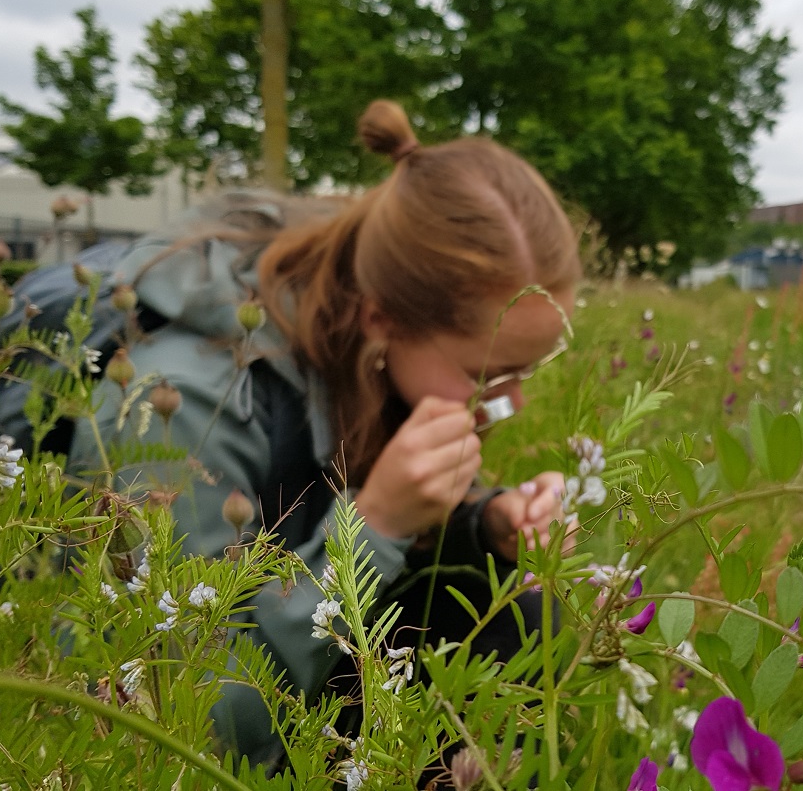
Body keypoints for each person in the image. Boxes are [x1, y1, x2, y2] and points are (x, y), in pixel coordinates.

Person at [67, 99, 581, 766]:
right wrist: (373, 530)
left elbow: (362, 524)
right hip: (209, 737)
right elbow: (168, 716)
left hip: (309, 689)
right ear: (381, 318)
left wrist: (483, 523)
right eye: (491, 372)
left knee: (520, 615)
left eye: (529, 369)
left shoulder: (366, 357)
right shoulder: (184, 405)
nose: (513, 400)